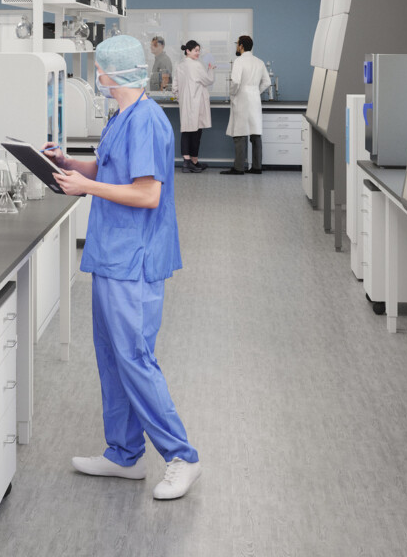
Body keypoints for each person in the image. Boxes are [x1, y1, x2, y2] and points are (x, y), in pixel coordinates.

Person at [44, 35, 201, 501]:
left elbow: (147, 193)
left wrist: (85, 190)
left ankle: (182, 457)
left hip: (135, 258)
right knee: (112, 358)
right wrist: (70, 165)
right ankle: (124, 454)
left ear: (109, 73)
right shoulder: (122, 115)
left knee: (135, 359)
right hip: (111, 253)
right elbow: (110, 167)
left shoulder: (147, 120)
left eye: (98, 68)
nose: (97, 74)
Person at [224, 34, 271, 176]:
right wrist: (256, 90)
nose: (236, 46)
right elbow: (267, 82)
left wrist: (232, 94)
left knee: (240, 134)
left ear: (241, 46)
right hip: (254, 99)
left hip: (242, 98)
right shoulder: (259, 62)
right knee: (255, 134)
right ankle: (257, 167)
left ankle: (238, 168)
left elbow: (236, 82)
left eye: (237, 44)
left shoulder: (239, 61)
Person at [175, 40, 213, 173]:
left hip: (185, 102)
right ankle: (194, 161)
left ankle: (187, 162)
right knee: (196, 132)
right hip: (196, 102)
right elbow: (208, 80)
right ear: (188, 51)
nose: (198, 53)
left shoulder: (179, 65)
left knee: (186, 131)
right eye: (196, 50)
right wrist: (210, 70)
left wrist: (180, 98)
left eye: (199, 50)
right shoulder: (196, 65)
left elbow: (175, 87)